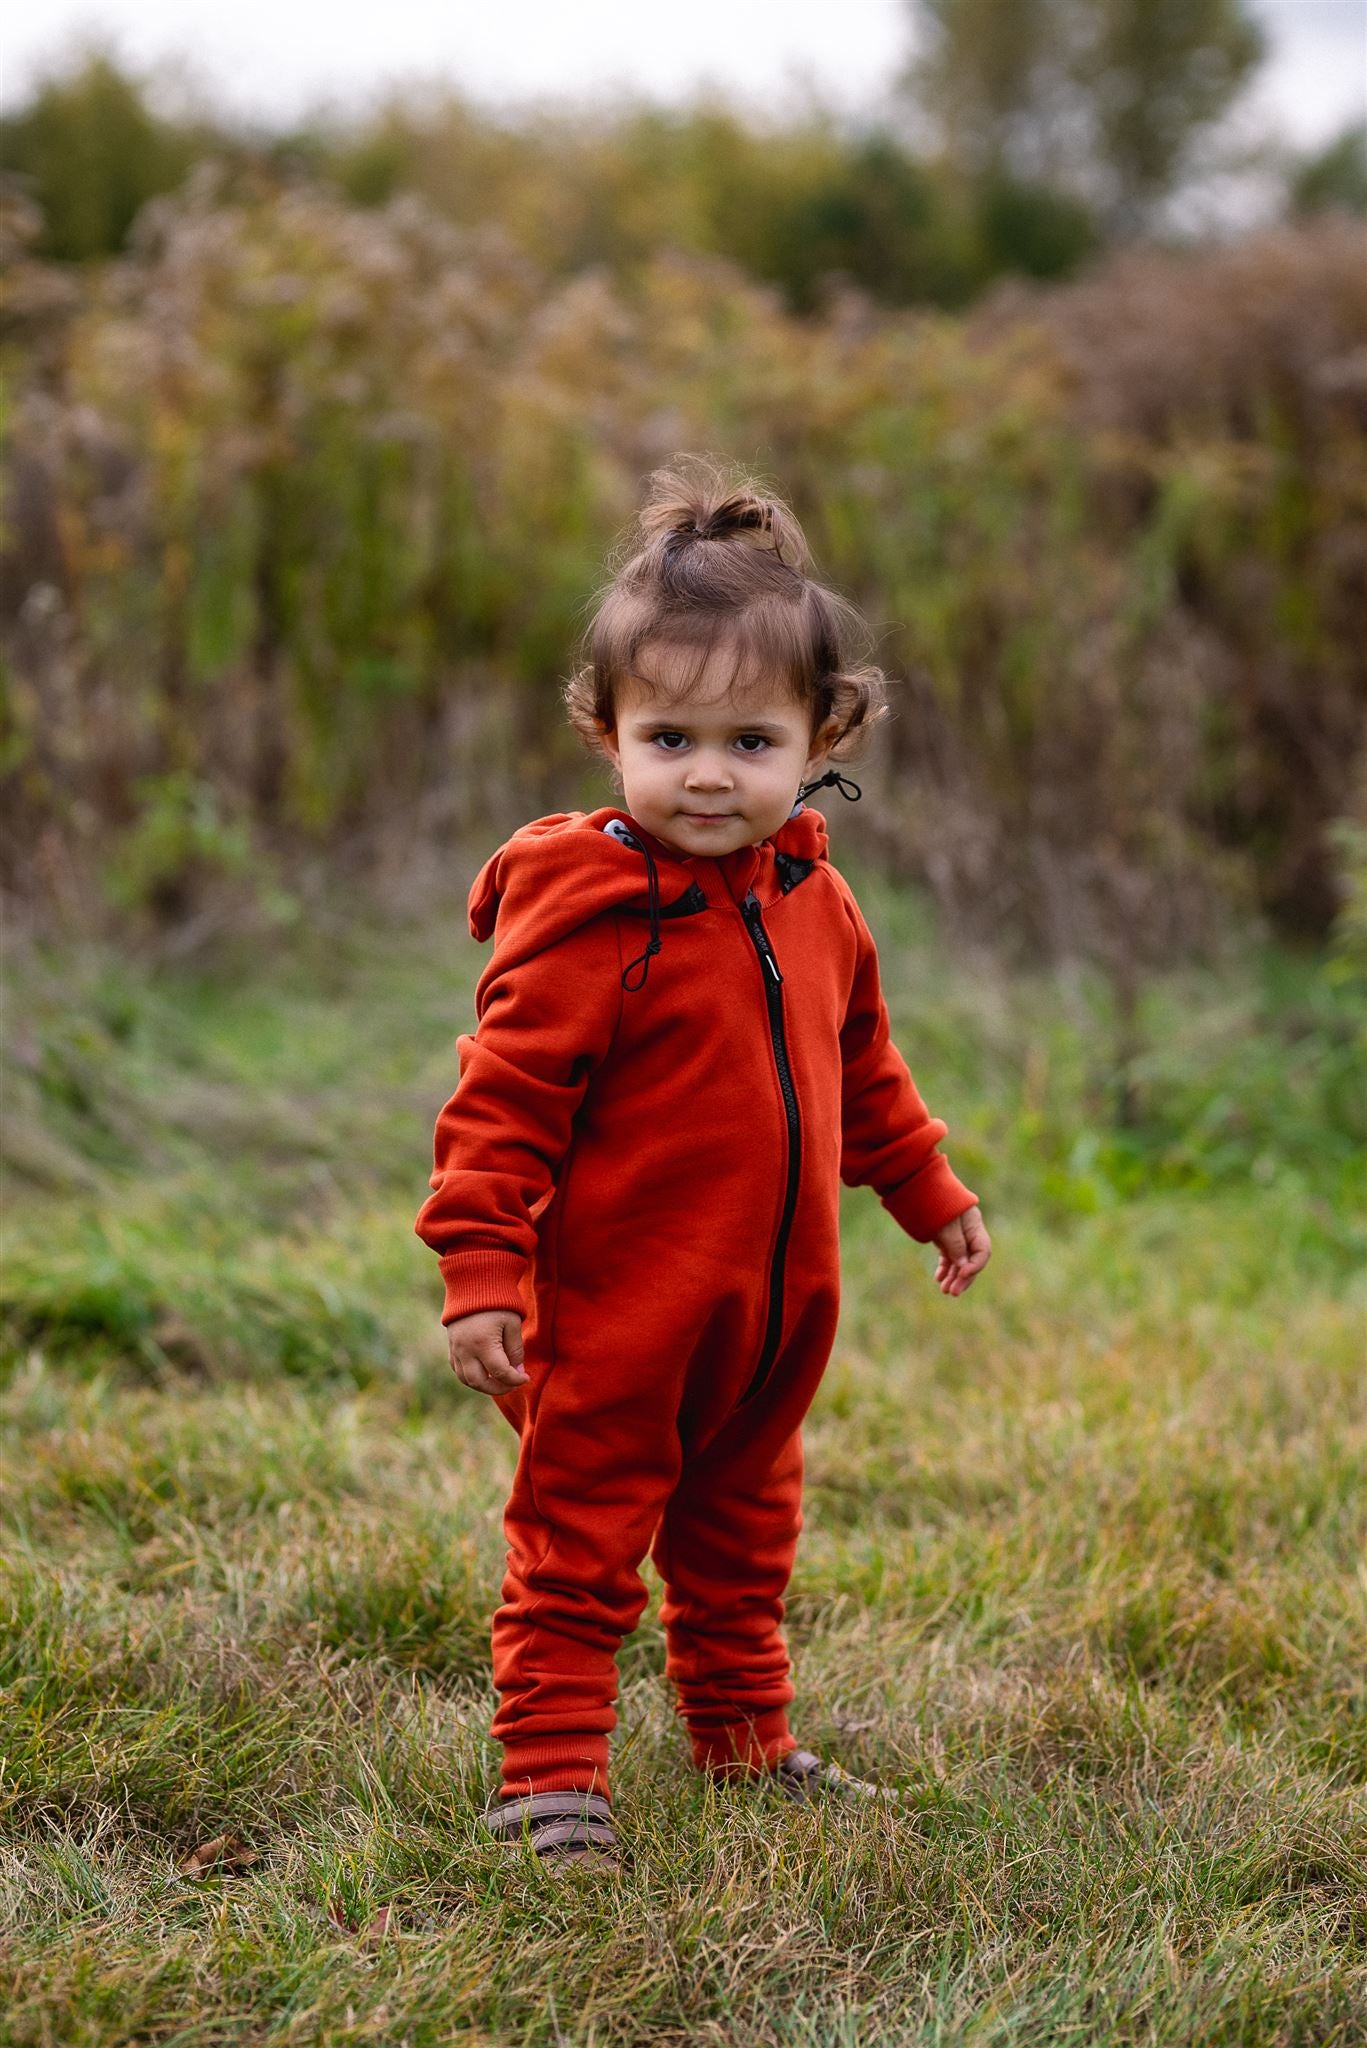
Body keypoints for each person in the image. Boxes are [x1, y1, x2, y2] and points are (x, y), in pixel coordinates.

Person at [414, 455, 991, 1869]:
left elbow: (864, 1070)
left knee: (743, 1535)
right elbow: (499, 1106)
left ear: (823, 733)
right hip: (616, 1313)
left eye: (750, 740)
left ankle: (746, 1740)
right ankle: (550, 1778)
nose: (709, 774)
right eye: (669, 738)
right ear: (605, 731)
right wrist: (483, 1266)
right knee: (583, 1542)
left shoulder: (816, 900)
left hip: (772, 1315)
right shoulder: (587, 919)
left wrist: (930, 1194)